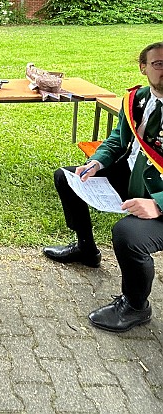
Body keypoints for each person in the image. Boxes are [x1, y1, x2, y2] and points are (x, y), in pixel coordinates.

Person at [43, 42, 163, 333]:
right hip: (132, 177)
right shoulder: (136, 99)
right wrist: (96, 162)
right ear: (143, 68)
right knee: (68, 178)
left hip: (157, 196)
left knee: (128, 234)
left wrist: (158, 204)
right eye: (158, 64)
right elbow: (118, 140)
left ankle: (136, 306)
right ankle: (86, 249)